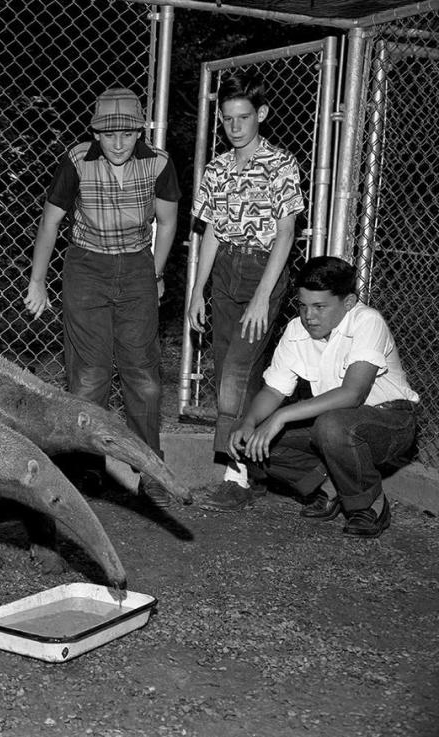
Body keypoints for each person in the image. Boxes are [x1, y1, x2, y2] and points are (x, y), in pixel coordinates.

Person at [23, 87, 180, 506]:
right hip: (86, 268)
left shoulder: (159, 163)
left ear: (139, 132)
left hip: (135, 268)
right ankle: (84, 469)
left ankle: (152, 470)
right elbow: (51, 222)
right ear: (95, 133)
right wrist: (38, 280)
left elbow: (166, 222)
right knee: (90, 376)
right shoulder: (77, 160)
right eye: (108, 135)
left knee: (143, 376)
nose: (117, 143)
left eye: (127, 134)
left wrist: (156, 271)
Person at [227, 256, 419, 538]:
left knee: (330, 425)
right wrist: (249, 421)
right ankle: (331, 488)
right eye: (303, 306)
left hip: (390, 421)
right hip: (334, 426)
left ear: (349, 302)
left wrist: (280, 416)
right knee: (252, 440)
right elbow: (273, 389)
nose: (309, 316)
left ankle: (369, 505)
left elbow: (352, 395)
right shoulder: (296, 330)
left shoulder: (367, 321)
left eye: (320, 307)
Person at [187, 70, 306, 512]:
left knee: (237, 371)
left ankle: (233, 476)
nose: (234, 127)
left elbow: (287, 232)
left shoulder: (280, 164)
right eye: (227, 119)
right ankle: (260, 467)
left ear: (262, 114)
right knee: (233, 370)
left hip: (263, 271)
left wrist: (263, 295)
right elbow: (212, 233)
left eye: (243, 117)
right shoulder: (217, 167)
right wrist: (197, 292)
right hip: (224, 271)